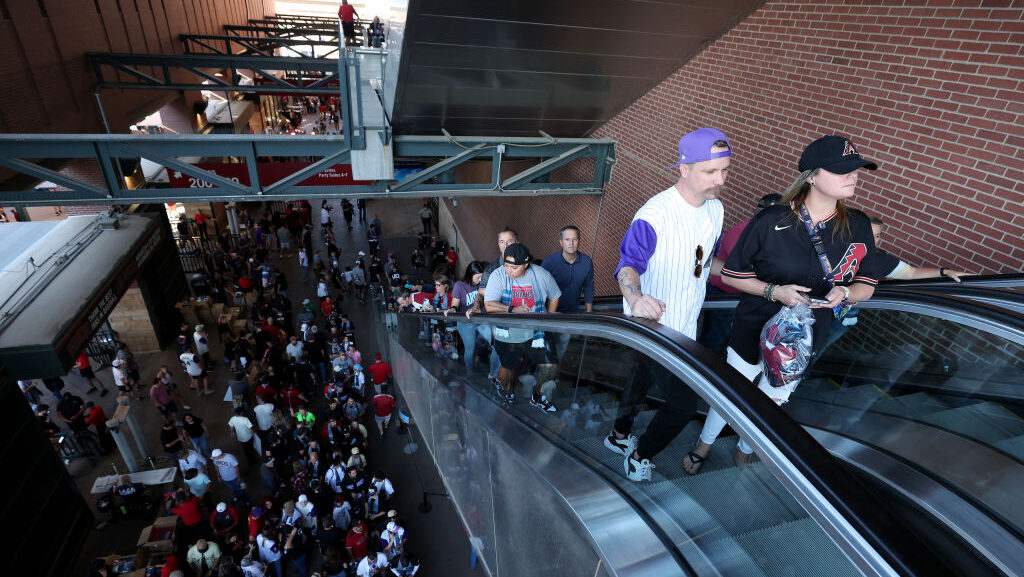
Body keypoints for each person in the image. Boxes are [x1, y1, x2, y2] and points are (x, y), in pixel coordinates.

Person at [683, 134, 884, 474]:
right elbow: (731, 274)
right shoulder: (770, 220)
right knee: (734, 389)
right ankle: (704, 444)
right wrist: (774, 292)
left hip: (807, 333)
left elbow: (866, 282)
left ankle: (747, 447)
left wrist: (847, 293)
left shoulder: (859, 224)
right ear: (813, 176)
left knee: (774, 399)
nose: (853, 176)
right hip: (755, 323)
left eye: (857, 170)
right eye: (843, 171)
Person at [609, 127, 729, 481]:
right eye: (710, 171)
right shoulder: (655, 214)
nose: (720, 180)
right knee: (682, 405)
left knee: (640, 376)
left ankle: (617, 436)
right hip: (652, 328)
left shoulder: (716, 211)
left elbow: (704, 263)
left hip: (686, 324)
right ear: (684, 168)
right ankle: (639, 456)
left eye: (725, 170)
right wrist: (635, 297)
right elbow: (627, 264)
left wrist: (753, 281)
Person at [700, 193, 782, 355]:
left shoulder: (776, 234)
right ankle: (705, 368)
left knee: (739, 340)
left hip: (749, 296)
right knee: (714, 339)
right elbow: (741, 270)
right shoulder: (739, 232)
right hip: (723, 296)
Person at [483, 242, 562, 410]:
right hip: (507, 333)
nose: (508, 270)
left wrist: (548, 319)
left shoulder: (541, 274)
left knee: (551, 367)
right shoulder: (498, 275)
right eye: (506, 265)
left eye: (514, 267)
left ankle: (538, 396)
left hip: (536, 332)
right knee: (508, 368)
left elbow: (555, 296)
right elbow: (489, 305)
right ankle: (507, 391)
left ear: (526, 264)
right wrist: (511, 309)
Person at [541, 224, 595, 359]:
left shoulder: (587, 262)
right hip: (548, 315)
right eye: (567, 239)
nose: (571, 243)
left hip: (570, 315)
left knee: (561, 347)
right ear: (561, 242)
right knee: (542, 346)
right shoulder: (549, 262)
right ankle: (538, 375)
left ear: (579, 241)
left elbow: (588, 287)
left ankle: (553, 376)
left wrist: (588, 314)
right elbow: (538, 289)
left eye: (575, 239)